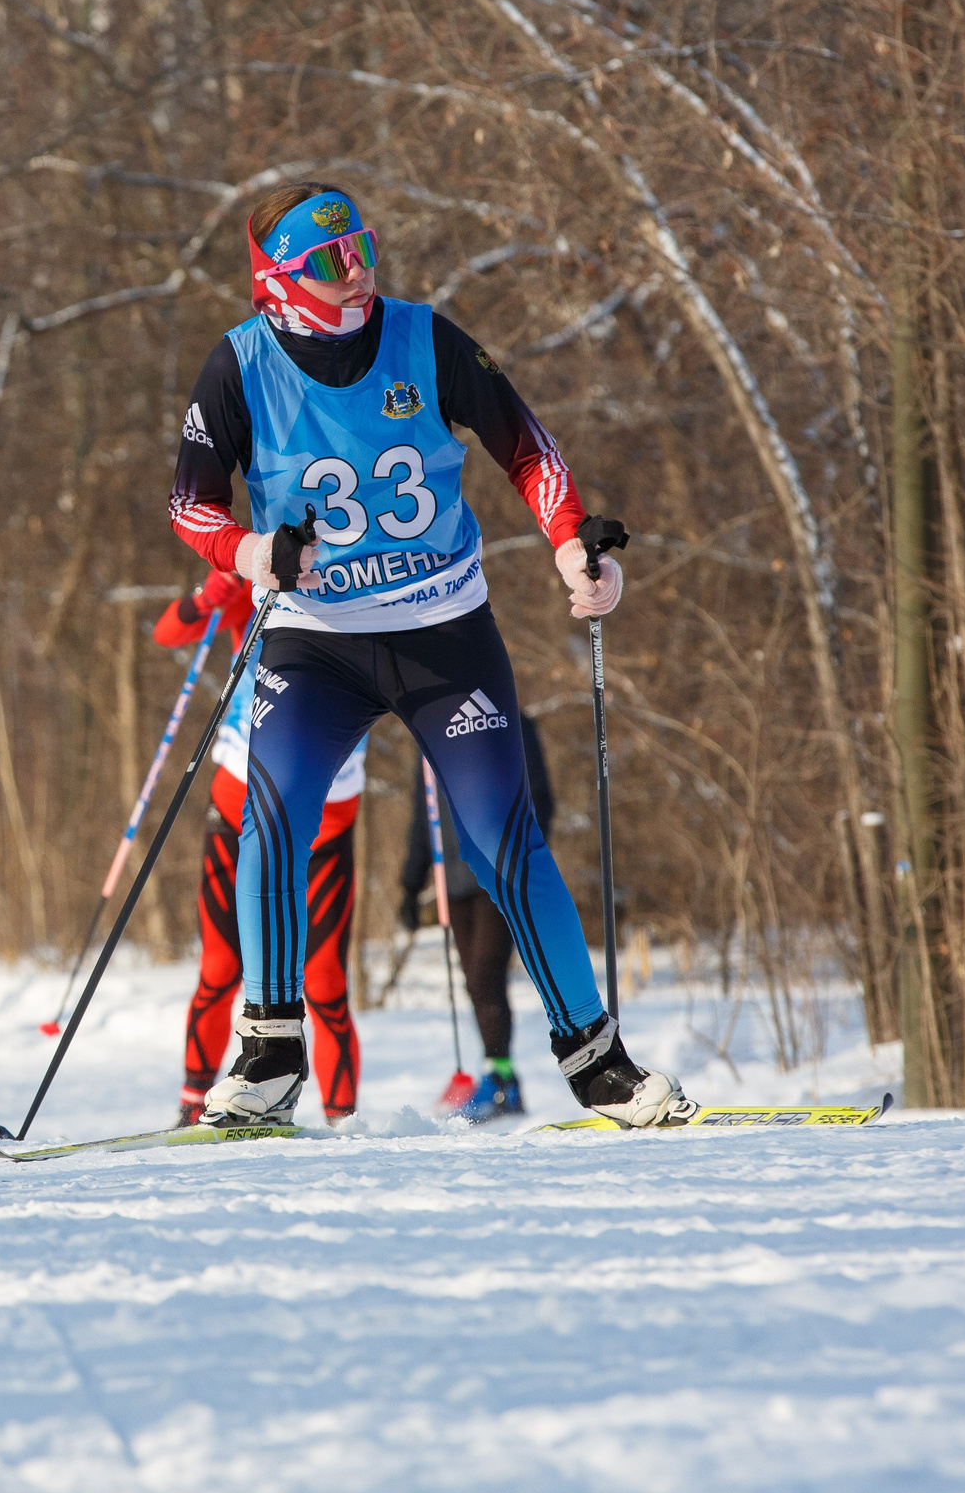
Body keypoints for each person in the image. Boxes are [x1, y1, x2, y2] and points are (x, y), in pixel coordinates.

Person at [167, 179, 685, 1128]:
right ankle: (272, 1057)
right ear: (281, 278)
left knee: (503, 839)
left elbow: (528, 447)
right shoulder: (237, 367)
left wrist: (572, 546)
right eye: (331, 258)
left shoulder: (423, 336)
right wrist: (251, 551)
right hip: (314, 643)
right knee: (273, 818)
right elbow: (188, 502)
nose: (358, 265)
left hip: (442, 630)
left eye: (362, 244)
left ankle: (596, 1060)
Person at [153, 570, 365, 1127]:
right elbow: (169, 633)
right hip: (237, 810)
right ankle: (192, 1104)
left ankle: (342, 1118)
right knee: (220, 970)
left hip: (326, 825)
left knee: (324, 984)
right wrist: (207, 597)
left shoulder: (371, 578)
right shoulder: (260, 575)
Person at [396, 712, 555, 1120]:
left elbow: (541, 797)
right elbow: (423, 815)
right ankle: (500, 1076)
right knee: (475, 982)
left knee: (486, 975)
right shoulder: (427, 736)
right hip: (452, 879)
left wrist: (522, 858)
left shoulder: (511, 724)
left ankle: (500, 1079)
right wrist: (411, 886)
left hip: (497, 873)